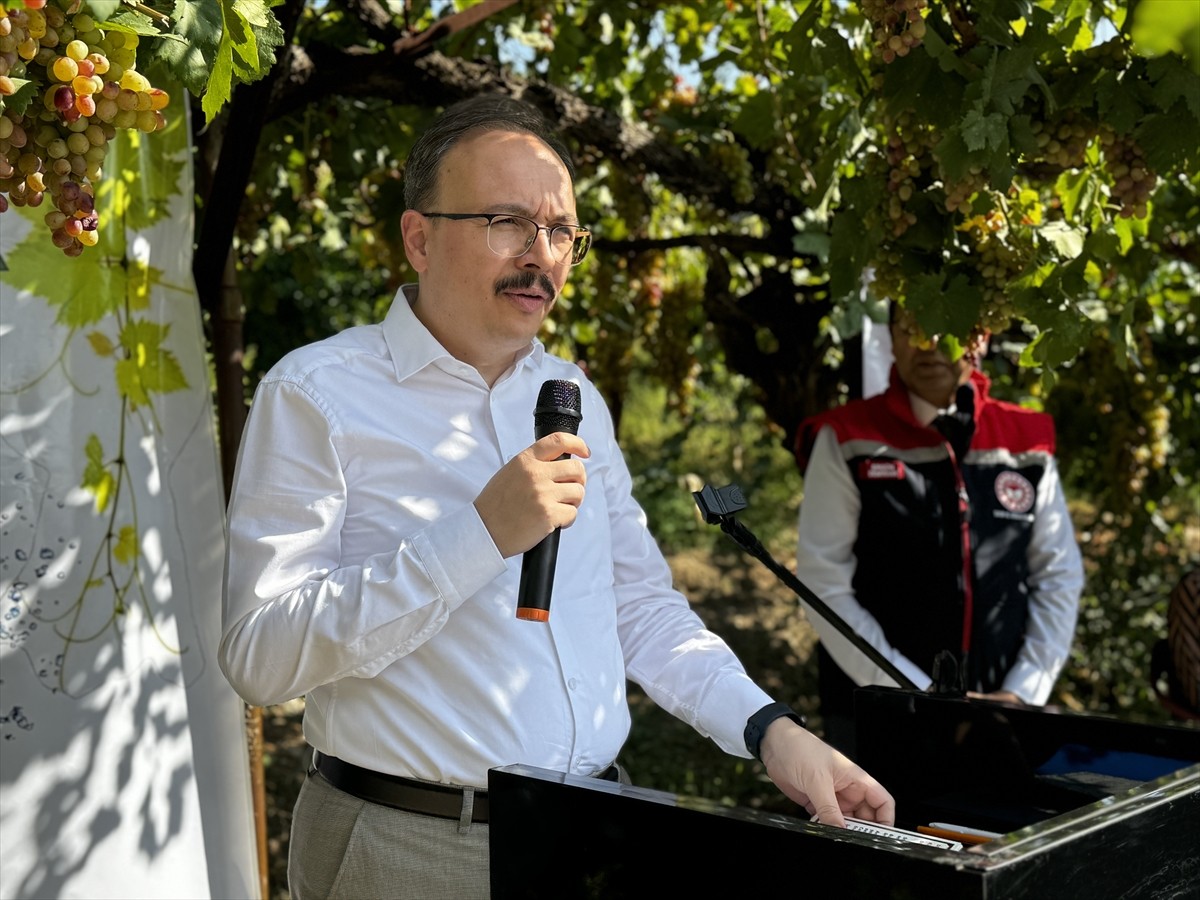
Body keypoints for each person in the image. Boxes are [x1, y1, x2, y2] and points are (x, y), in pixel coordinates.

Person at [219, 93, 895, 899]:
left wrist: (770, 731)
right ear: (419, 236)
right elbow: (259, 657)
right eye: (507, 221)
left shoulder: (574, 396)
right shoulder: (317, 394)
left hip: (593, 834)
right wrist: (476, 536)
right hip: (413, 847)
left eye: (561, 231)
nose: (542, 254)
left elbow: (637, 606)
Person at [792, 305, 1084, 757]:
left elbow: (1058, 573)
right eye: (909, 326)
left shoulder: (1027, 437)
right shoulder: (846, 436)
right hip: (878, 710)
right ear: (890, 336)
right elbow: (821, 581)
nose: (926, 342)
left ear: (980, 335)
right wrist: (911, 689)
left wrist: (1024, 690)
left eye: (945, 323)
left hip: (1005, 714)